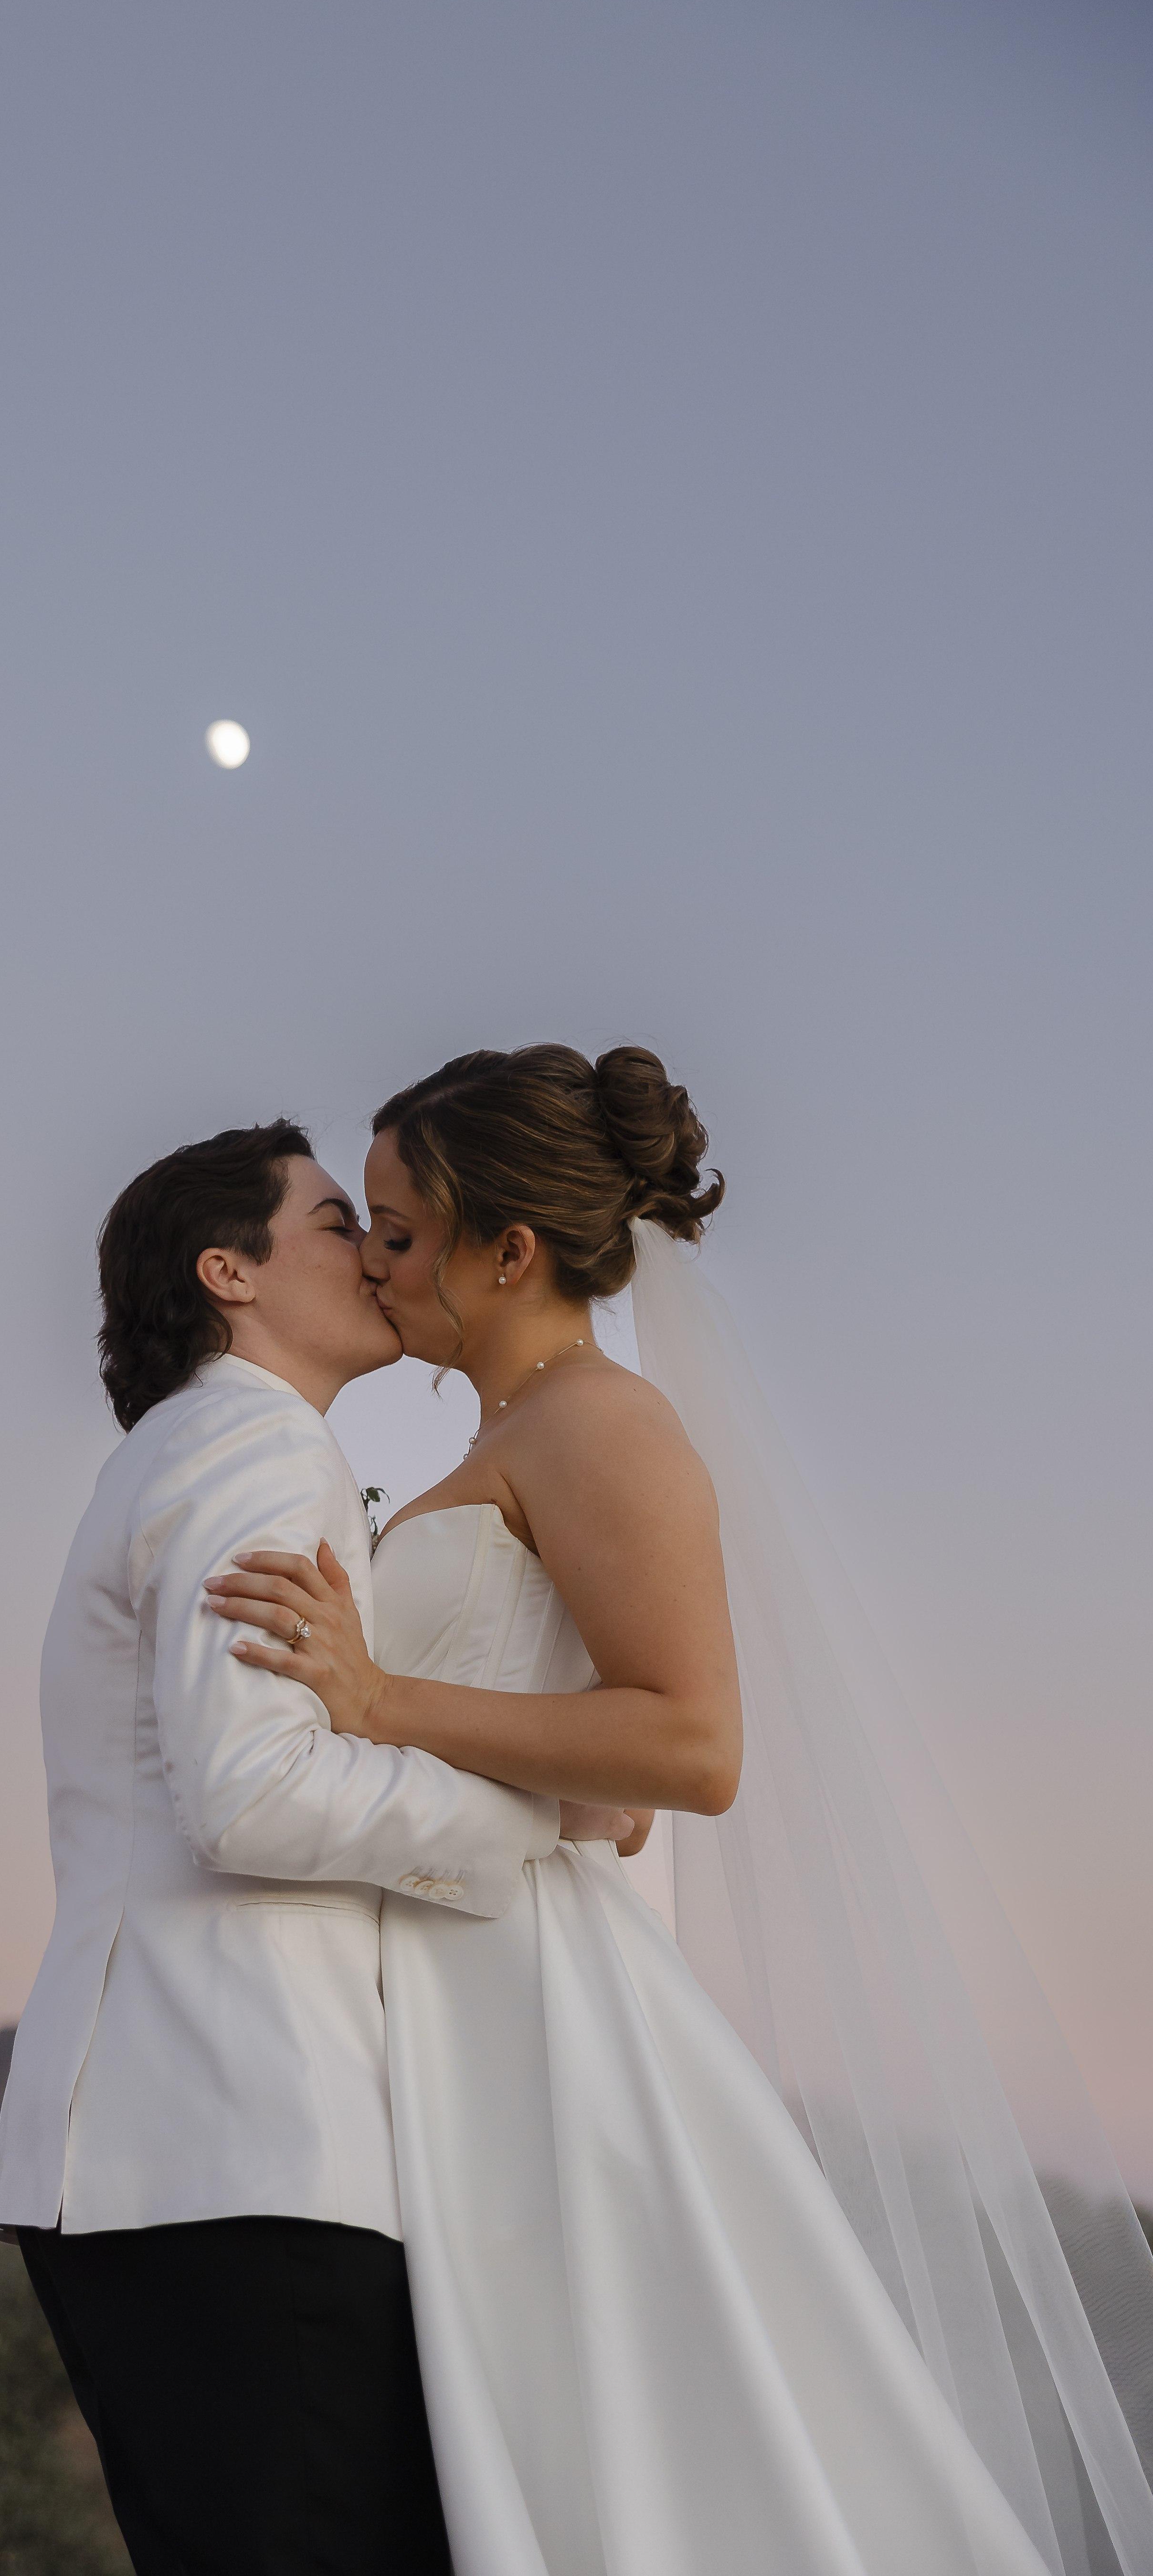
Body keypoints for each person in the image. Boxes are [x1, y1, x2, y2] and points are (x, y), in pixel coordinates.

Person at [208, 1044, 1153, 2576]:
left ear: (510, 1250)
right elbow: (606, 1770)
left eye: (397, 1230)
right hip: (445, 1981)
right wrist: (561, 1781)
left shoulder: (600, 1423)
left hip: (534, 2007)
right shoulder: (510, 1433)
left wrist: (380, 1700)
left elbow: (697, 1744)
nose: (373, 1262)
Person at [0, 1118, 577, 2576]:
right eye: (333, 1222)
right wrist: (538, 1820)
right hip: (233, 2139)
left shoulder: (191, 1451)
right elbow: (251, 1796)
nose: (376, 1251)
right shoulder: (251, 1444)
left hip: (182, 2152)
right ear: (229, 1272)